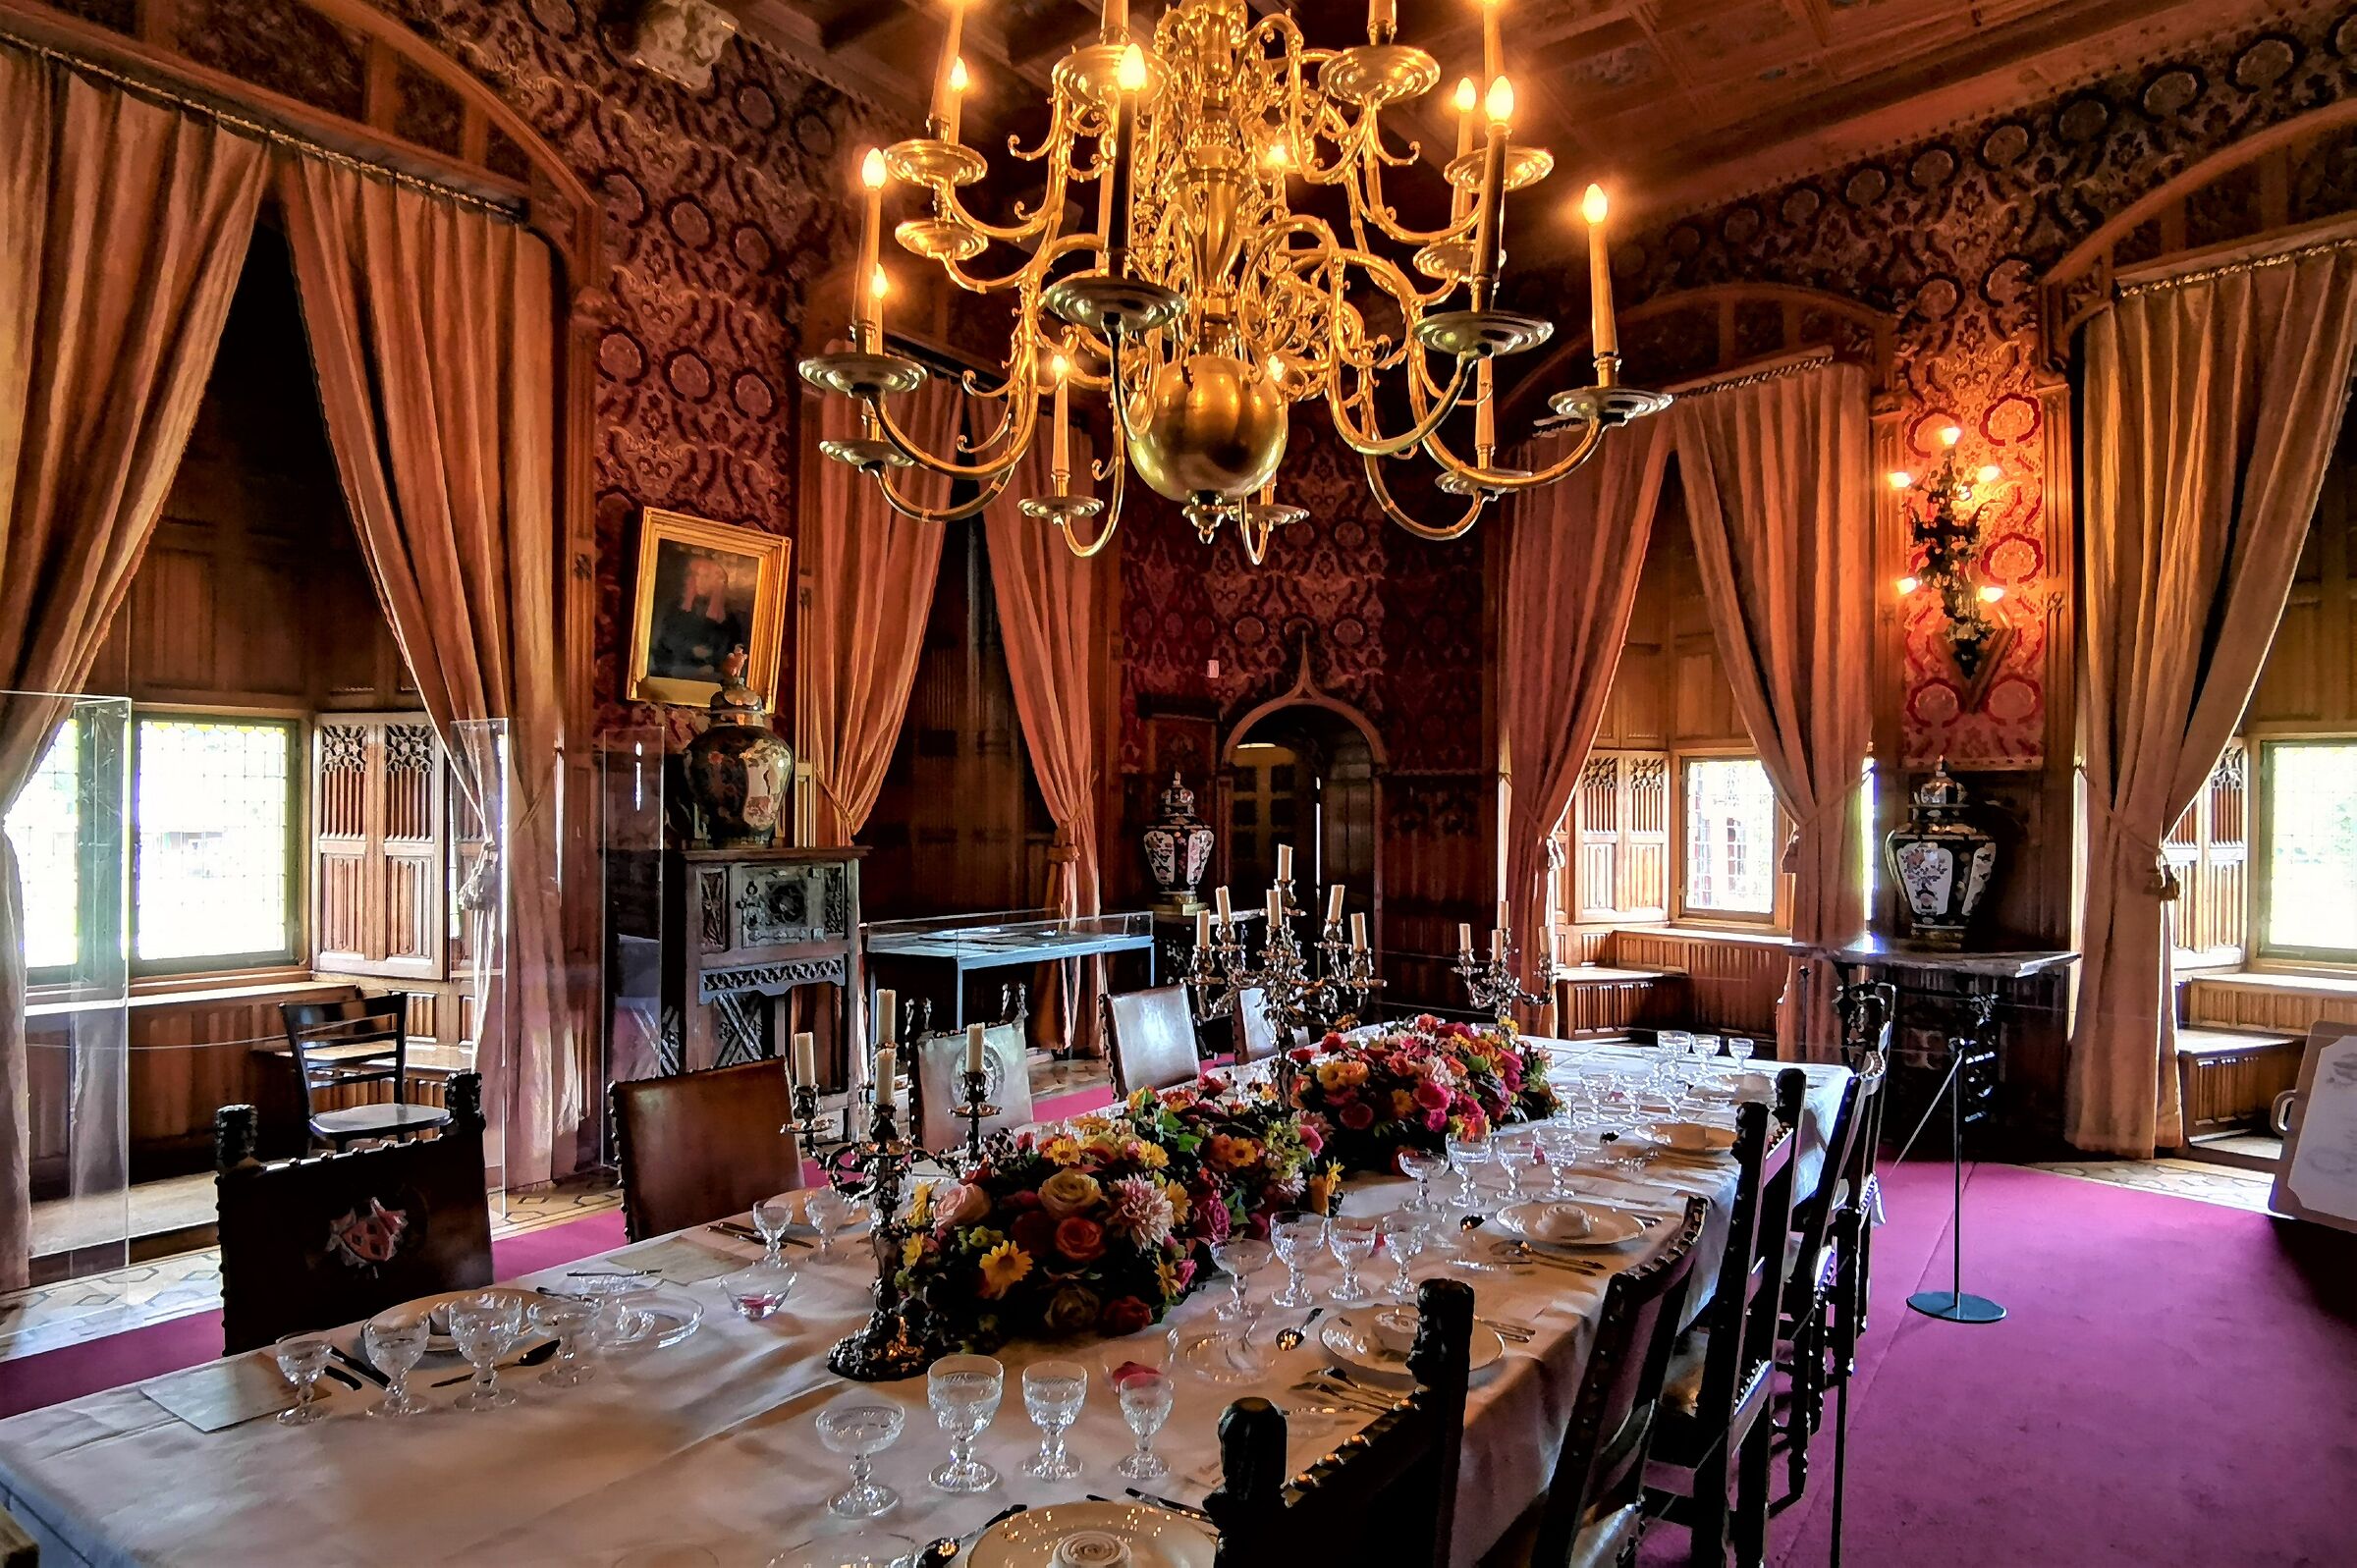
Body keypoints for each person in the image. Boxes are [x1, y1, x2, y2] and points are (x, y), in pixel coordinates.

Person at [650, 550, 747, 681]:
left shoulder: (730, 617)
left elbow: (733, 650)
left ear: (718, 581)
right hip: (672, 676)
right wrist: (691, 649)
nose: (698, 581)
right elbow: (664, 643)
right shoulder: (676, 607)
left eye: (706, 576)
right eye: (696, 575)